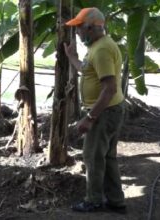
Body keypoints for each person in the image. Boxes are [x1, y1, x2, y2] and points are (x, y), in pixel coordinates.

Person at [64, 7, 127, 213]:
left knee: (92, 157)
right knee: (107, 156)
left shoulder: (101, 50)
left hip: (104, 112)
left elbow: (109, 88)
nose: (78, 33)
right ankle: (116, 200)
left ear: (91, 28)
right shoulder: (99, 45)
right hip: (111, 109)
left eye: (80, 29)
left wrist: (90, 118)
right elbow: (85, 69)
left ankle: (94, 200)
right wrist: (72, 56)